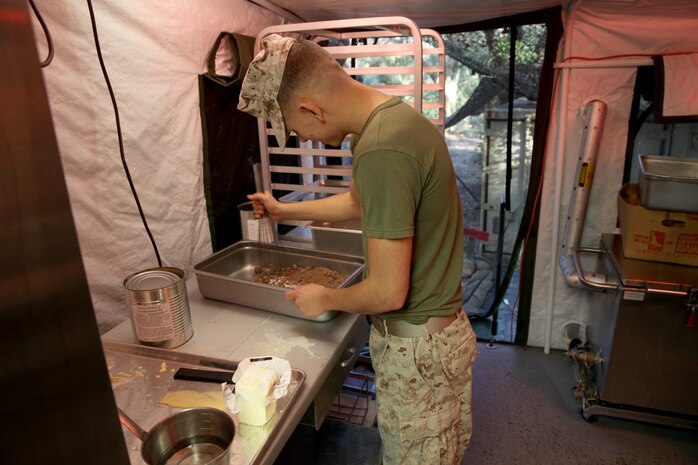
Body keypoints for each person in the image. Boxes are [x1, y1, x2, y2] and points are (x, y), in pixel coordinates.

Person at [237, 33, 478, 465]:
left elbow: (388, 292)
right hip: (439, 335)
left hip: (419, 350)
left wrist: (324, 297)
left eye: (295, 127)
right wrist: (279, 212)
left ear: (311, 107)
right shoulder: (389, 124)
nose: (303, 138)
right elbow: (357, 201)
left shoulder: (382, 147)